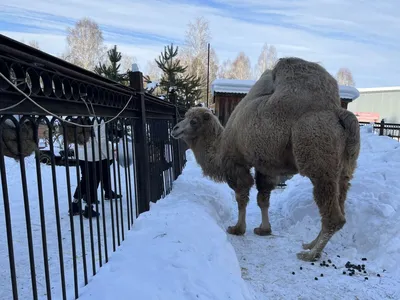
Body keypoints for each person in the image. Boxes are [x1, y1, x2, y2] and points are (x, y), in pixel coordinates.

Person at [69, 119, 121, 218]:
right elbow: (101, 139)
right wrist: (108, 155)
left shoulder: (79, 115)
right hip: (95, 155)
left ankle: (75, 205)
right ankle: (89, 208)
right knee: (93, 180)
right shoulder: (97, 118)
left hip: (81, 153)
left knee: (84, 180)